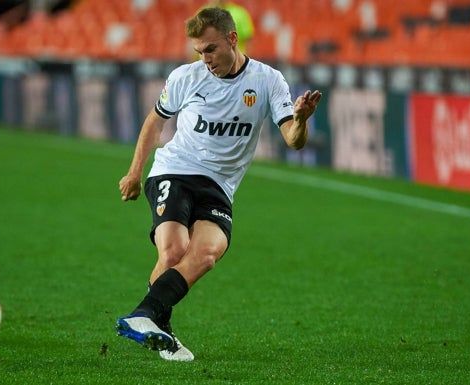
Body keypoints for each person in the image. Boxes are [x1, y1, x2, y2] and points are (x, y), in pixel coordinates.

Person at [115, 7, 322, 362]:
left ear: (232, 38)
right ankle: (147, 318)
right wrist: (135, 172)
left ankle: (150, 321)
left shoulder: (268, 81)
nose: (205, 59)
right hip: (174, 170)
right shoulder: (186, 77)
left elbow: (293, 139)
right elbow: (154, 122)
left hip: (220, 186)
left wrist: (301, 119)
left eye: (210, 49)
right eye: (199, 51)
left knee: (207, 254)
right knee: (173, 250)